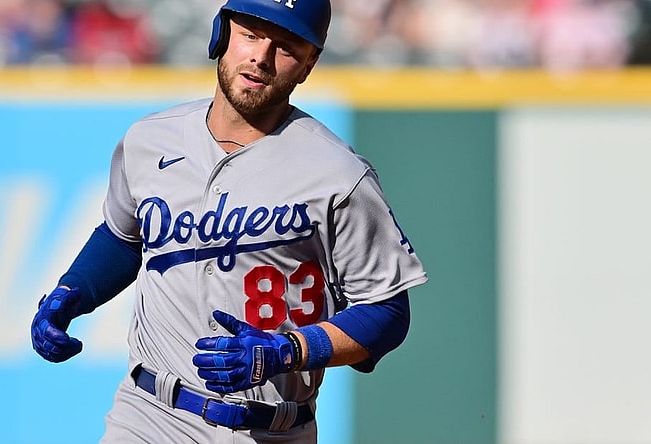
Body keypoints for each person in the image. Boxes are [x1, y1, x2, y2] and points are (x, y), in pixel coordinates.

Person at [30, 0, 428, 442]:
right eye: (251, 34)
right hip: (150, 416)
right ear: (222, 33)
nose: (261, 56)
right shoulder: (149, 140)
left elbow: (388, 310)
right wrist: (74, 290)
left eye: (286, 46)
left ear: (309, 64)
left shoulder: (338, 174)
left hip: (274, 428)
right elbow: (125, 237)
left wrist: (289, 350)